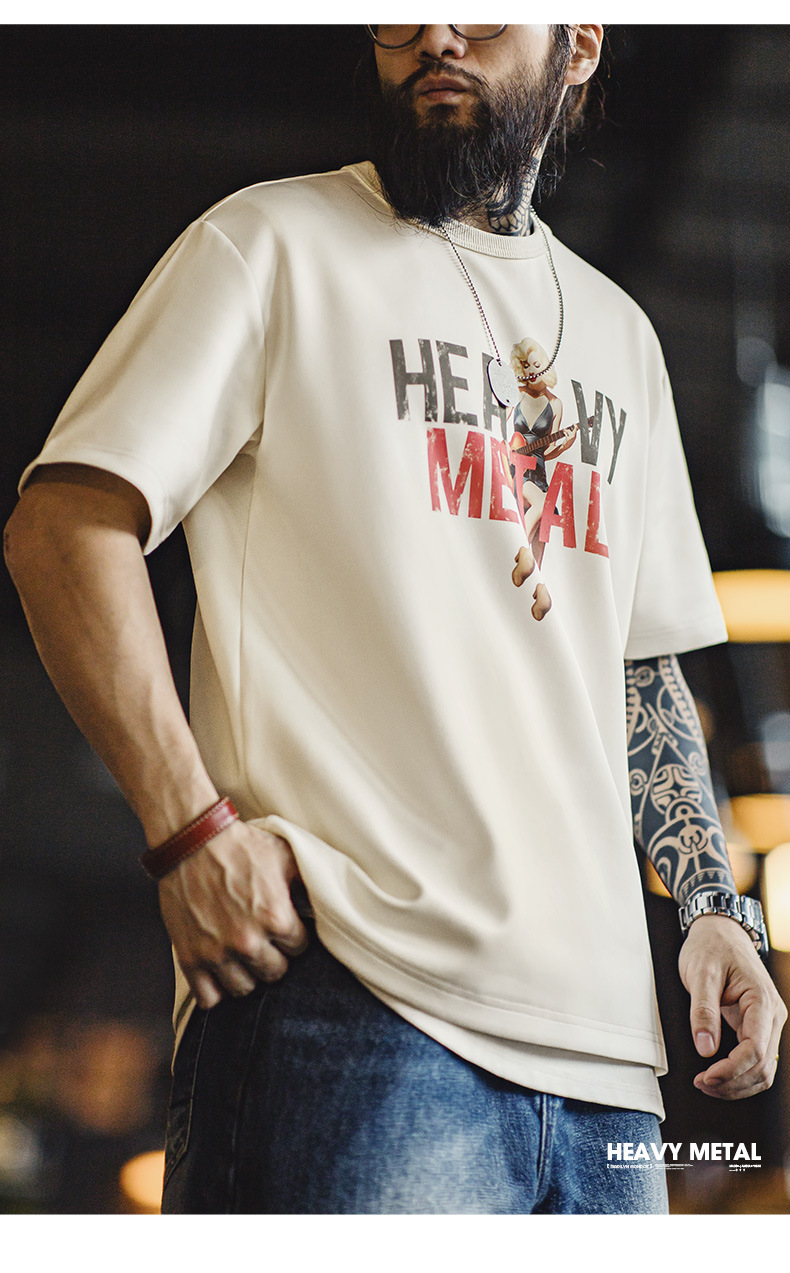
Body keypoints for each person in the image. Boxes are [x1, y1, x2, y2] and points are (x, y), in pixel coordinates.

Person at [4, 24, 786, 1215]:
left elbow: (642, 664)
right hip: (345, 1002)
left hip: (609, 1063)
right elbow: (64, 528)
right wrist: (187, 833)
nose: (431, 33)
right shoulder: (270, 244)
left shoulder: (620, 334)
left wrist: (714, 909)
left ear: (578, 45)